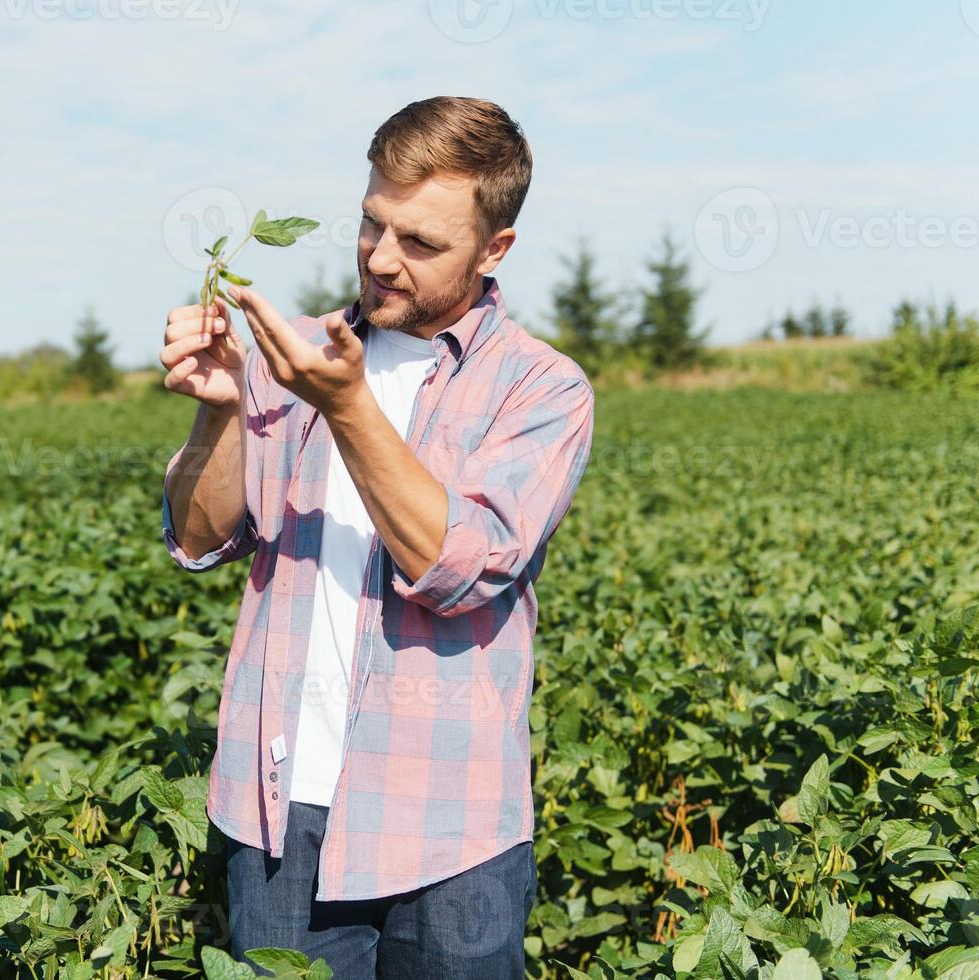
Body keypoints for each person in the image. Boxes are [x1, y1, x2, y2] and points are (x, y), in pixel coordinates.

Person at [158, 95, 595, 978]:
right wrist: (220, 415)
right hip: (280, 816)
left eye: (422, 243)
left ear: (493, 248)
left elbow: (461, 567)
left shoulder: (541, 390)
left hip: (451, 830)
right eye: (372, 225)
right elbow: (202, 538)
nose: (381, 259)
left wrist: (347, 405)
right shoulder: (298, 355)